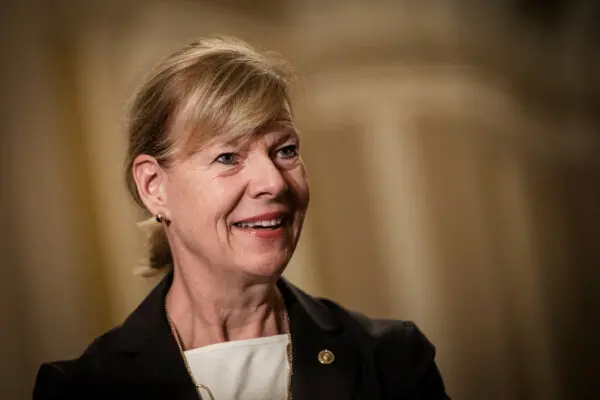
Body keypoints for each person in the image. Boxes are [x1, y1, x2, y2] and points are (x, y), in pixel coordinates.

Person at [33, 36, 449, 400]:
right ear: (153, 187)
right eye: (228, 157)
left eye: (285, 150)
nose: (274, 182)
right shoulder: (82, 389)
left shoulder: (392, 360)